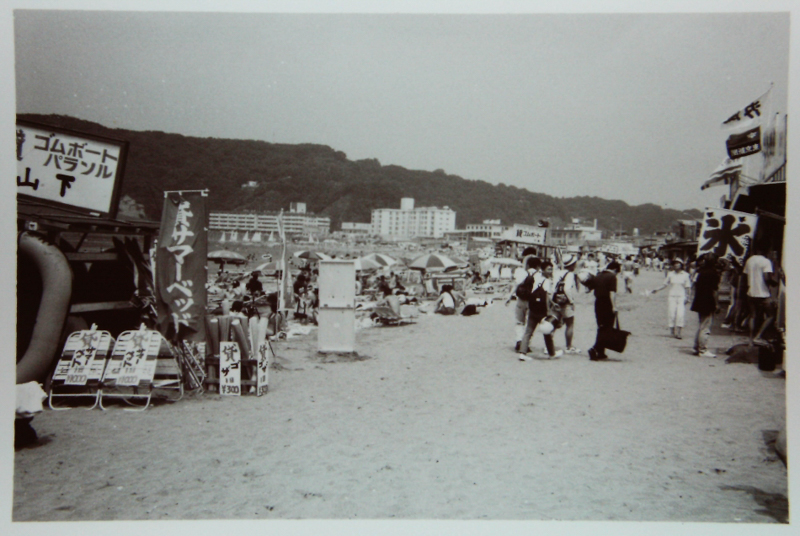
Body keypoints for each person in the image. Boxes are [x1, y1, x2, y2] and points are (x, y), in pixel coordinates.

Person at [518, 261, 563, 360]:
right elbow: (547, 297)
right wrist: (548, 311)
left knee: (528, 331)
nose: (551, 271)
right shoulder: (546, 281)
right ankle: (552, 353)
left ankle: (522, 353)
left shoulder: (535, 277)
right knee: (547, 330)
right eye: (549, 269)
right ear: (543, 270)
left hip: (533, 307)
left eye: (551, 269)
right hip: (542, 310)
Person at [649, 259, 692, 339]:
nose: (676, 265)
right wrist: (656, 289)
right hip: (672, 296)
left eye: (678, 264)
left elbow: (688, 287)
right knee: (671, 314)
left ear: (681, 265)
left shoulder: (685, 275)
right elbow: (665, 284)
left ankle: (679, 332)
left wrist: (688, 297)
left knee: (680, 314)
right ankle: (672, 330)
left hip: (681, 296)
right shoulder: (670, 274)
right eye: (674, 264)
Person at [505, 256, 541, 352]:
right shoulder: (539, 275)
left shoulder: (522, 273)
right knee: (530, 324)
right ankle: (526, 344)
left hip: (521, 300)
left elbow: (516, 285)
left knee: (519, 322)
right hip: (532, 301)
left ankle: (519, 340)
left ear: (528, 265)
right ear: (538, 266)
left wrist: (509, 297)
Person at [587, 260, 621, 361]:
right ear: (615, 269)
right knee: (607, 328)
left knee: (601, 326)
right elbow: (612, 293)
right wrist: (614, 306)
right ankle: (595, 348)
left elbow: (588, 289)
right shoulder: (612, 277)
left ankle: (601, 352)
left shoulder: (598, 275)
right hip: (607, 303)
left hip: (598, 303)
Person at [743, 243, 777, 344]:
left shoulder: (750, 260)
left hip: (751, 292)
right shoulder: (766, 262)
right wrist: (774, 283)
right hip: (763, 293)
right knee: (771, 315)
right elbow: (766, 278)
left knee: (753, 316)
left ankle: (750, 338)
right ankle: (758, 336)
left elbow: (745, 276)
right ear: (766, 251)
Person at [690, 253, 720, 357]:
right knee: (705, 326)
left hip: (699, 300)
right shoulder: (714, 273)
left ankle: (696, 347)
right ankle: (702, 350)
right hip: (708, 301)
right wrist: (717, 304)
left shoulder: (700, 272)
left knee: (701, 325)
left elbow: (694, 286)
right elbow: (714, 291)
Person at [553, 253, 581, 354]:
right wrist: (571, 301)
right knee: (570, 324)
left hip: (556, 300)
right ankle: (569, 346)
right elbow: (567, 288)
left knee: (553, 323)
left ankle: (549, 346)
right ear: (572, 265)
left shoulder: (557, 273)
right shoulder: (570, 274)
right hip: (565, 302)